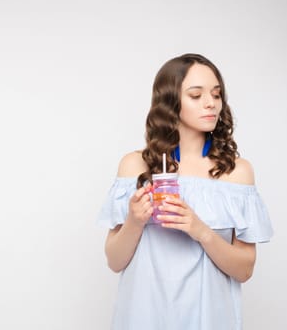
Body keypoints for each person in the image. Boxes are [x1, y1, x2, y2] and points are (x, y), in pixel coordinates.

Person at [98, 53, 273, 329]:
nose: (210, 103)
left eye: (216, 95)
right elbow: (115, 261)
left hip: (209, 319)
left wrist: (200, 230)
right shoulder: (135, 166)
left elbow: (244, 269)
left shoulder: (237, 172)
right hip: (144, 316)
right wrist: (134, 221)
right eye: (196, 95)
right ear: (170, 102)